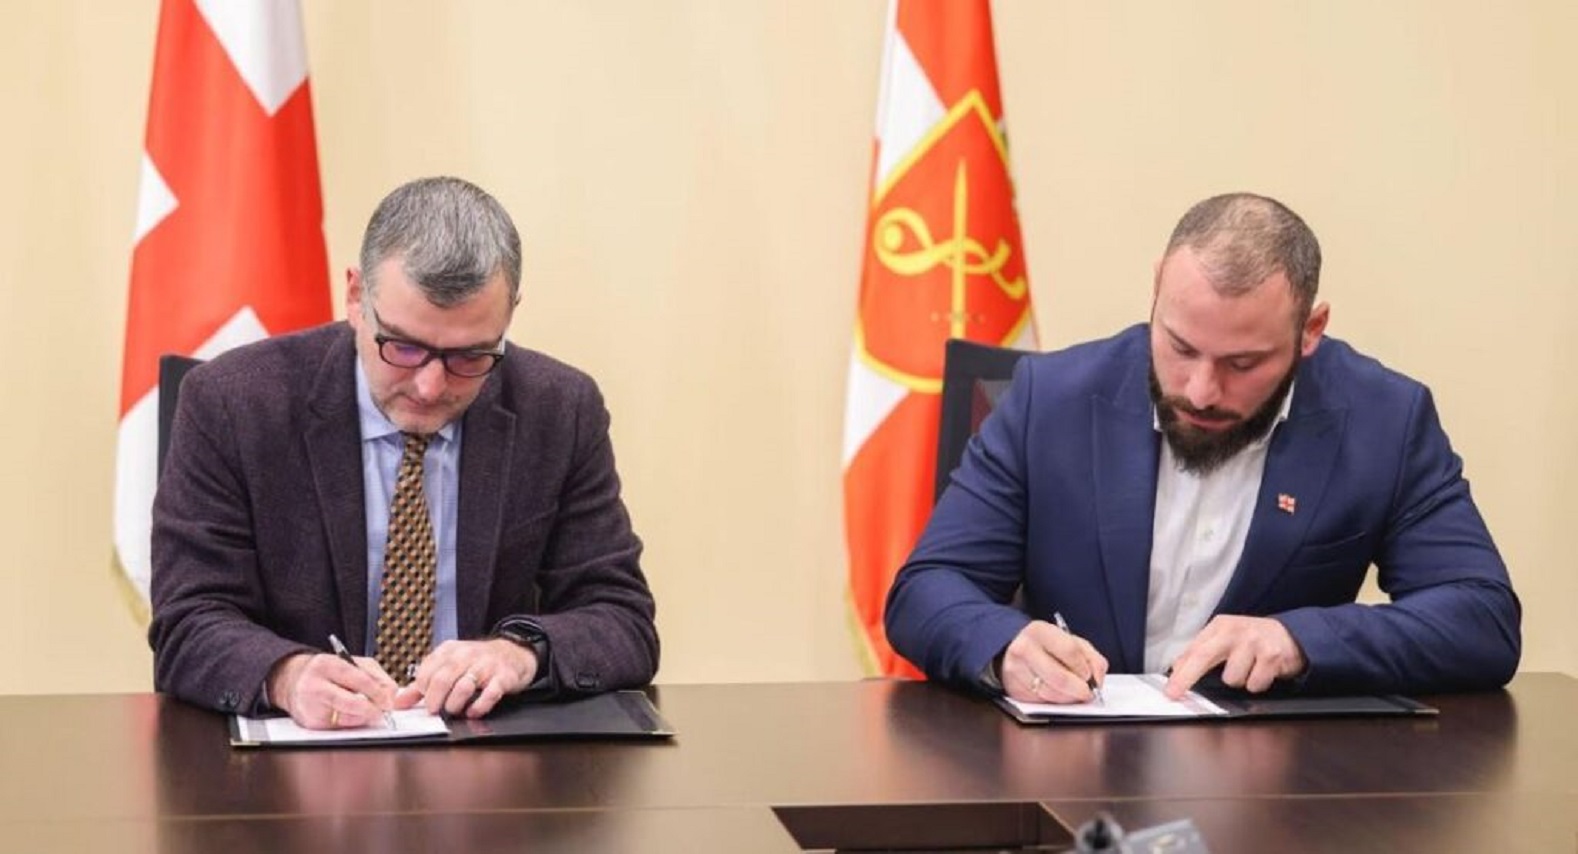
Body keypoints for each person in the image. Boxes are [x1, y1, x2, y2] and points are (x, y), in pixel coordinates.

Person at [885, 192, 1520, 704]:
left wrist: (1301, 639)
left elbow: (1482, 618)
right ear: (1156, 292)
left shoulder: (1385, 421)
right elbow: (926, 589)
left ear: (1310, 330)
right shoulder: (1049, 402)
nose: (1200, 390)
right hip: (1070, 770)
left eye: (1242, 363)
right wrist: (1005, 644)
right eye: (1181, 347)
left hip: (1275, 786)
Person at [150, 176, 658, 728]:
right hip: (304, 757)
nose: (430, 386)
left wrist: (520, 654)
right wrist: (287, 675)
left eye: (470, 356)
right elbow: (187, 622)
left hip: (486, 754)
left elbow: (622, 619)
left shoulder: (559, 410)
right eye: (404, 347)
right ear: (355, 298)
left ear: (509, 315)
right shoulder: (235, 404)